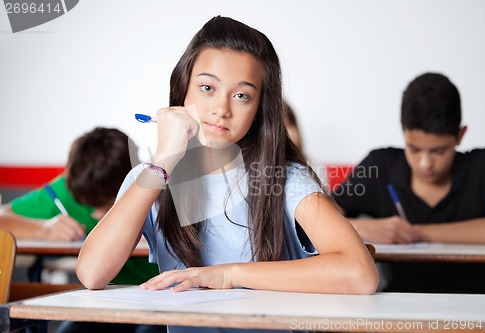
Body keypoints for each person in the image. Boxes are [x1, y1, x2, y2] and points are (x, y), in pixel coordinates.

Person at [77, 16, 378, 333]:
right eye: (207, 88)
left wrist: (228, 274)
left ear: (260, 107)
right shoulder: (150, 177)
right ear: (183, 88)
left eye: (242, 95)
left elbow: (360, 273)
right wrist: (163, 162)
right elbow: (92, 273)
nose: (222, 108)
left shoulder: (284, 179)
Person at [333, 72, 485, 294]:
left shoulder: (484, 167)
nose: (425, 164)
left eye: (439, 151)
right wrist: (364, 228)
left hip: (474, 306)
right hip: (395, 306)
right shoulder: (380, 166)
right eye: (414, 149)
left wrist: (418, 233)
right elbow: (317, 218)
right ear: (404, 134)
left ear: (460, 135)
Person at [0, 127, 163, 333]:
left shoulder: (152, 188)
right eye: (87, 204)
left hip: (159, 301)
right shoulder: (68, 189)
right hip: (105, 301)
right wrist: (43, 229)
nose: (95, 215)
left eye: (104, 205)